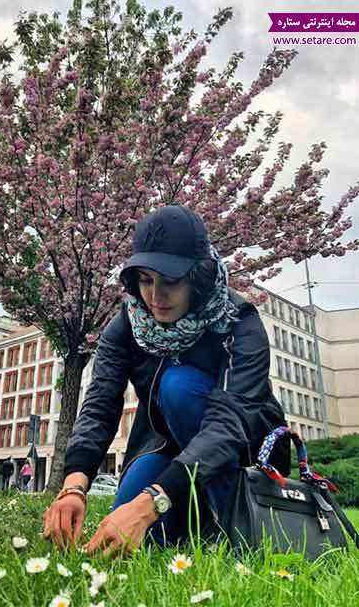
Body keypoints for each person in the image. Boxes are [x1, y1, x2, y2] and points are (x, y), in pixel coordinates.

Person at [42, 205, 289, 555]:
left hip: (243, 449)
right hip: (166, 447)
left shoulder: (239, 321)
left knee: (177, 386)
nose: (155, 297)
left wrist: (151, 503)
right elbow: (100, 405)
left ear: (198, 278)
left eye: (170, 282)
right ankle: (189, 521)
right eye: (145, 280)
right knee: (132, 542)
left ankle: (234, 529)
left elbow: (229, 424)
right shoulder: (125, 327)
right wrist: (74, 486)